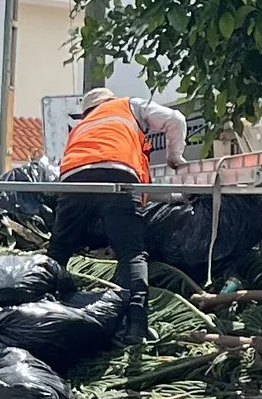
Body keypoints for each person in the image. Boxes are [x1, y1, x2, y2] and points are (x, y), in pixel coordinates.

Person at [45, 87, 187, 341]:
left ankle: (40, 310)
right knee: (132, 254)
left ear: (85, 111)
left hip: (71, 182)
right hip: (117, 179)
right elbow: (175, 119)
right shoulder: (129, 105)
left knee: (59, 251)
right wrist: (174, 156)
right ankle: (136, 327)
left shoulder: (81, 126)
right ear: (109, 100)